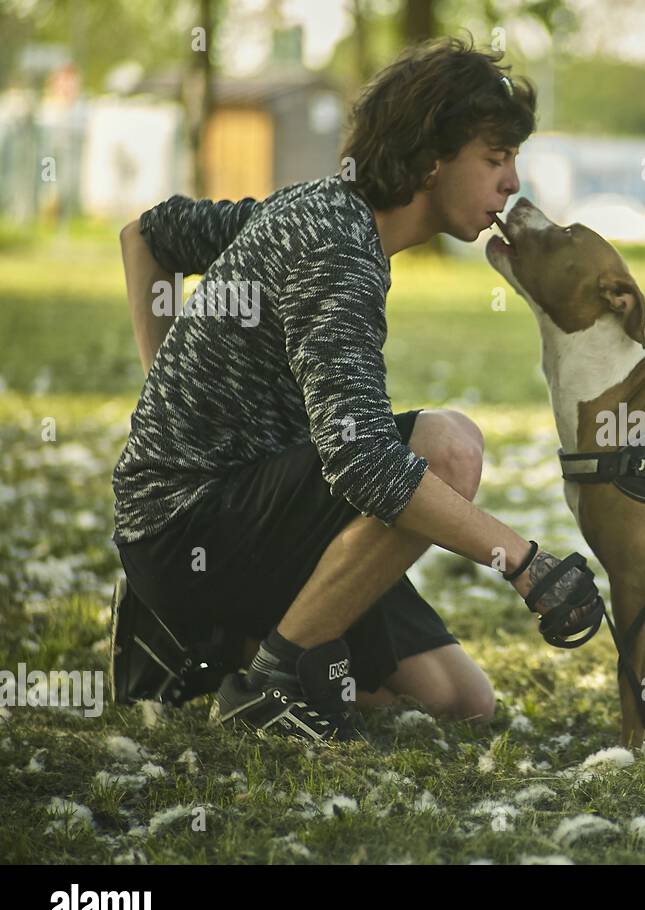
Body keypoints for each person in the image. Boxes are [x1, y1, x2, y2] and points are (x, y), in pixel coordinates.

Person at [109, 36, 604, 744]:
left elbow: (146, 235)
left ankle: (227, 644)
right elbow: (362, 461)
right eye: (495, 160)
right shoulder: (335, 247)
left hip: (269, 518)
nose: (510, 184)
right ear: (433, 159)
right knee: (449, 448)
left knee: (461, 700)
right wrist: (525, 562)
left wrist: (160, 391)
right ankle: (271, 680)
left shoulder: (323, 211)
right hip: (187, 524)